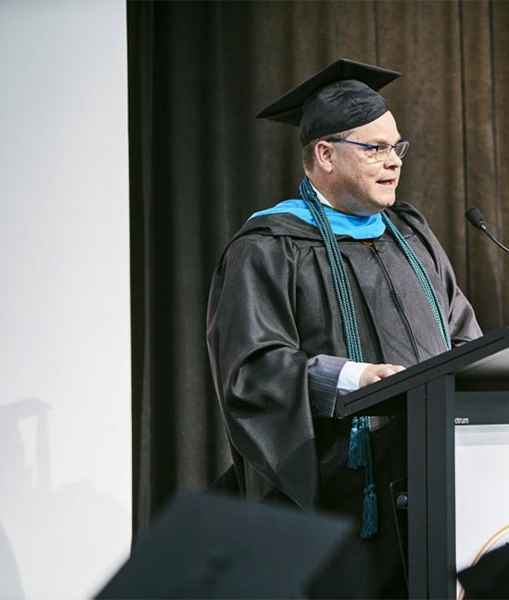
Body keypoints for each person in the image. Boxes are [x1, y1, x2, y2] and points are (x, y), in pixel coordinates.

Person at [205, 58, 482, 598]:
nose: (393, 162)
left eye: (396, 147)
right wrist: (350, 379)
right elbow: (251, 371)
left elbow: (463, 336)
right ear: (324, 155)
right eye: (374, 148)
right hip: (342, 504)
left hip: (435, 483)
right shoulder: (269, 247)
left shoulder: (412, 234)